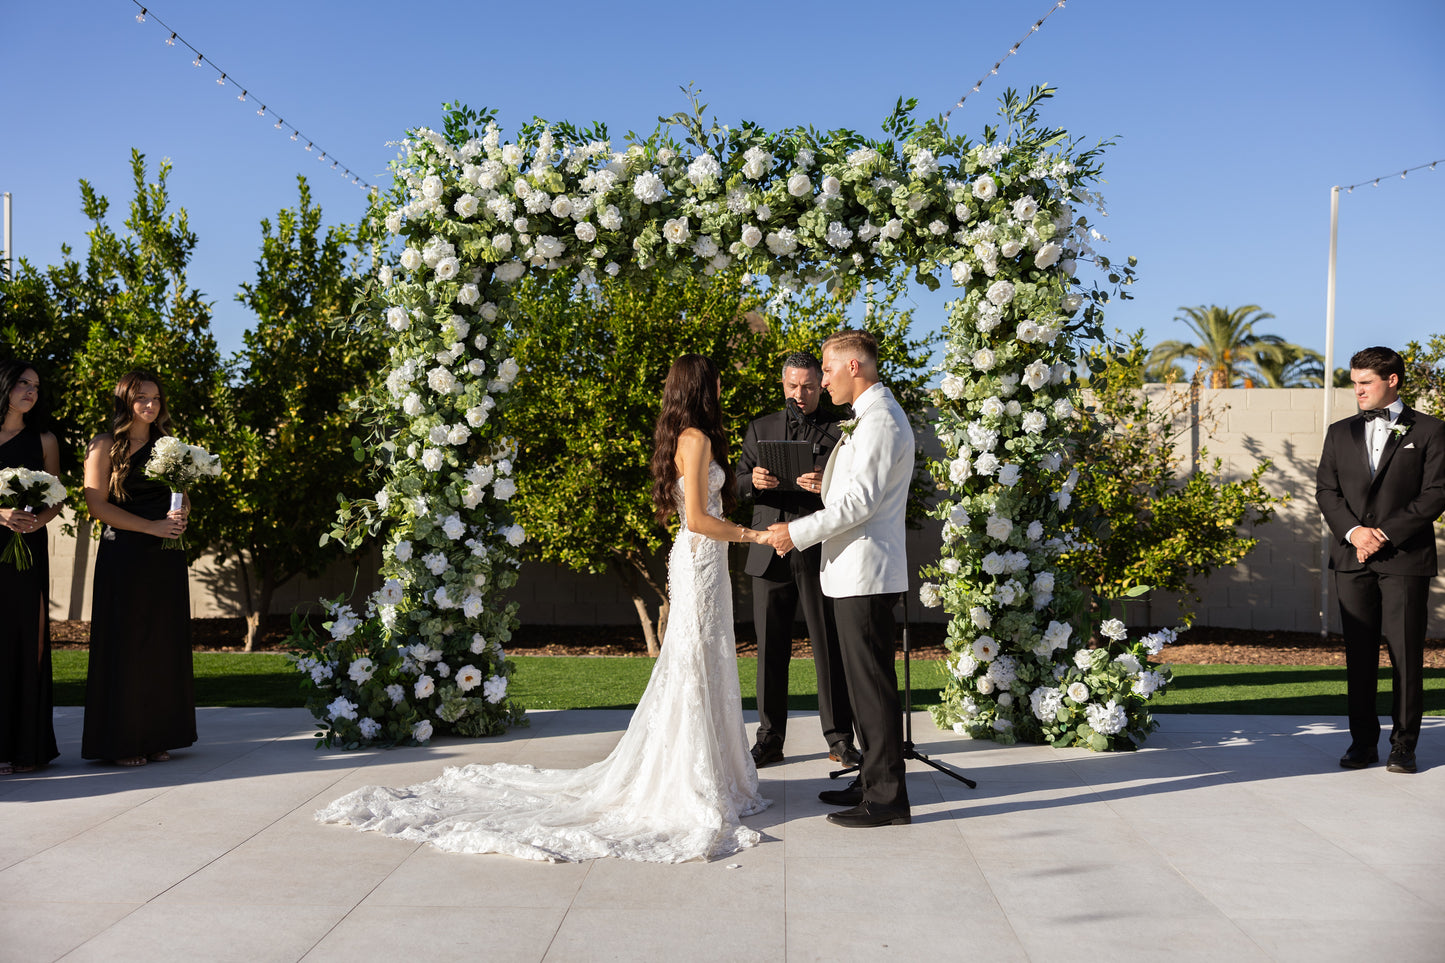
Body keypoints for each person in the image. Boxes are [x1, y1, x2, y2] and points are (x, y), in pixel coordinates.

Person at [318, 354, 772, 862]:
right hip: (700, 558)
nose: (722, 384)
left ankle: (708, 768)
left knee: (703, 657)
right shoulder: (697, 439)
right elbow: (695, 517)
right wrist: (751, 534)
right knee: (692, 659)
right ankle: (694, 774)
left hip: (700, 562)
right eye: (716, 379)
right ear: (701, 387)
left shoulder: (685, 437)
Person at [768, 330, 914, 828]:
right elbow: (849, 493)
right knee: (862, 686)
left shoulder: (879, 421)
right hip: (853, 572)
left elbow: (861, 504)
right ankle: (871, 780)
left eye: (827, 370)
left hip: (866, 572)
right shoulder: (867, 418)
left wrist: (796, 532)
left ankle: (888, 799)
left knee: (872, 689)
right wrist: (824, 484)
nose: (822, 380)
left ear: (854, 367)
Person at [1316, 346, 1445, 775]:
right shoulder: (1338, 432)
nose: (1357, 391)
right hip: (1352, 560)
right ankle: (1362, 744)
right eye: (1353, 383)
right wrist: (1355, 533)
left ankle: (1404, 746)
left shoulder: (1430, 431)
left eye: (1365, 383)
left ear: (1392, 380)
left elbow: (1435, 494)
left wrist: (1384, 534)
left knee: (1406, 655)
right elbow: (1326, 492)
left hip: (1405, 558)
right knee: (1359, 655)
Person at [737, 351, 858, 768]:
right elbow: (734, 484)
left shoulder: (842, 430)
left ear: (819, 385)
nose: (800, 393)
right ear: (783, 384)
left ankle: (840, 739)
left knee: (829, 647)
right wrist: (752, 482)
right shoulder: (760, 427)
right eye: (792, 386)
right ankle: (769, 740)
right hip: (768, 552)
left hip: (817, 550)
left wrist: (827, 484)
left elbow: (855, 492)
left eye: (808, 386)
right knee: (770, 651)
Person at [81, 371, 196, 767]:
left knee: (161, 643)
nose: (150, 405)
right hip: (124, 554)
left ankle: (157, 736)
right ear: (125, 401)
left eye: (156, 398)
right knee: (126, 644)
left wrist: (180, 516)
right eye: (141, 398)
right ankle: (123, 740)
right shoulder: (104, 445)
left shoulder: (169, 447)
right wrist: (151, 526)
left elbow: (181, 498)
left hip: (164, 555)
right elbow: (97, 507)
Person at [0, 360, 62, 775]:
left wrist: (36, 521)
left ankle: (27, 748)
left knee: (28, 641)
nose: (30, 391)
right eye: (23, 383)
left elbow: (55, 496)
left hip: (27, 548)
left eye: (36, 386)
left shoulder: (44, 439)